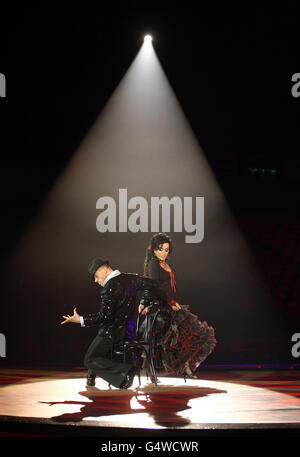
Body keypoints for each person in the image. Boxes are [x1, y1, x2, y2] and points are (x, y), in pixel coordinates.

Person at [61, 258, 160, 389]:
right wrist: (144, 301)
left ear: (105, 269)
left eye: (96, 276)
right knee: (96, 349)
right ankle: (93, 378)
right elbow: (153, 285)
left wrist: (80, 320)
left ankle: (127, 372)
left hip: (113, 333)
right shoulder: (131, 278)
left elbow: (104, 317)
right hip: (129, 331)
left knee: (89, 359)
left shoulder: (108, 288)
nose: (95, 280)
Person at [139, 233, 217, 379]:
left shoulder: (166, 264)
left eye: (166, 250)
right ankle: (155, 371)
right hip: (161, 307)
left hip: (171, 305)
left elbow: (168, 287)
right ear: (154, 250)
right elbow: (154, 286)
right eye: (161, 249)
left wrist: (173, 302)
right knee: (163, 341)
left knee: (191, 334)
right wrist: (145, 302)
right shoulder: (153, 264)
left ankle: (185, 366)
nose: (164, 253)